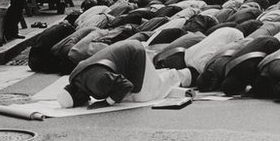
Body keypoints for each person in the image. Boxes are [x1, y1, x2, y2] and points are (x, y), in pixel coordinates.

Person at [57, 39, 190, 108]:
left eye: (80, 101)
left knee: (144, 95)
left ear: (78, 94)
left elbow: (127, 85)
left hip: (134, 53)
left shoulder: (97, 82)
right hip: (125, 53)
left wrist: (107, 102)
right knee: (125, 96)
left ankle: (177, 75)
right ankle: (155, 75)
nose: (85, 102)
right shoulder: (75, 77)